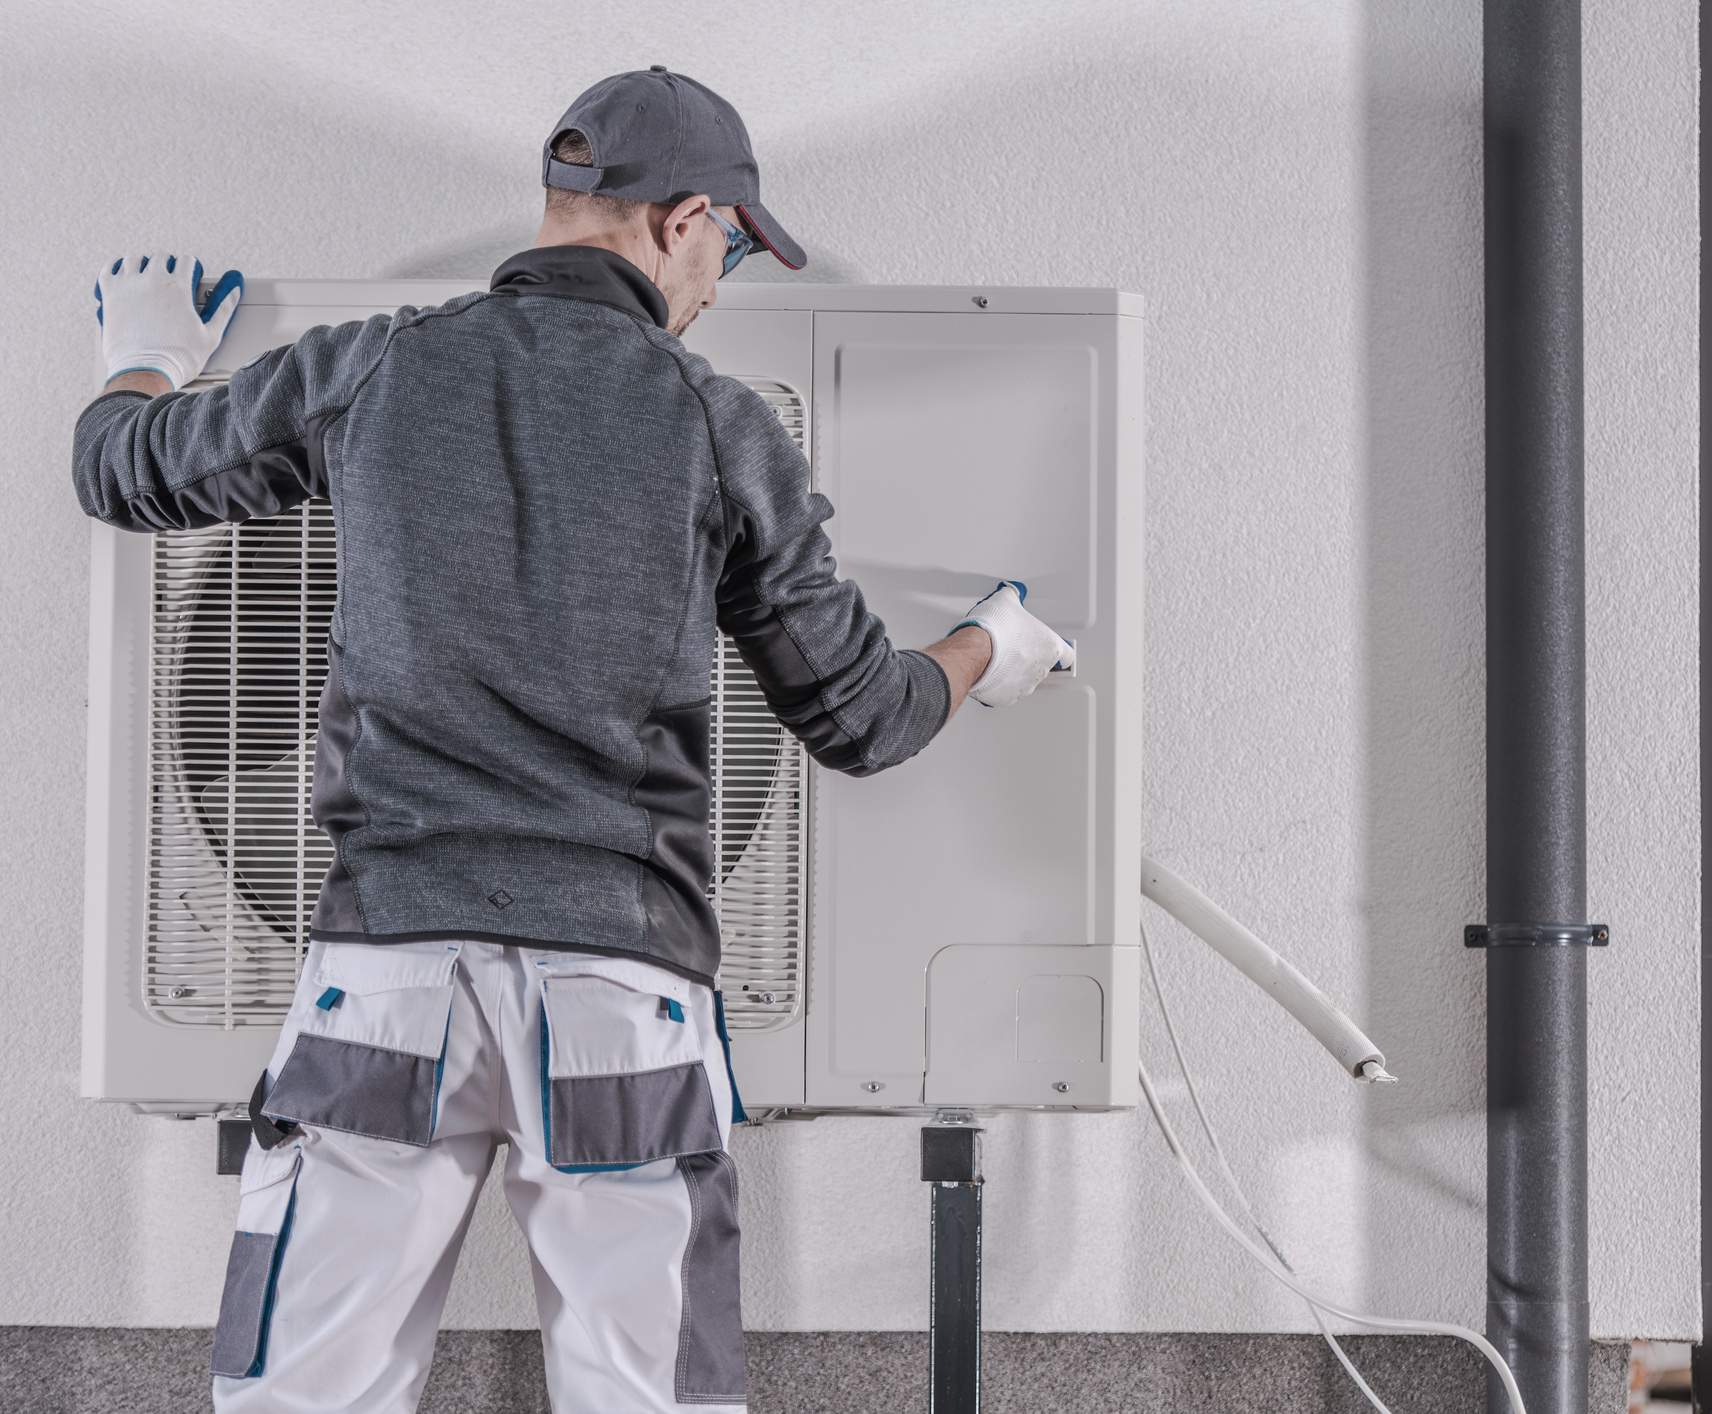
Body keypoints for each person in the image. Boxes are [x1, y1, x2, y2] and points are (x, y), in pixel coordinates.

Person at [73, 67, 1072, 1414]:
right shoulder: (721, 427)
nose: (719, 283)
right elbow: (861, 715)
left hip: (387, 979)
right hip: (621, 997)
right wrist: (987, 650)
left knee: (298, 1395)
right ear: (681, 219)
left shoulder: (373, 364)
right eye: (726, 246)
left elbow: (122, 468)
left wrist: (143, 353)